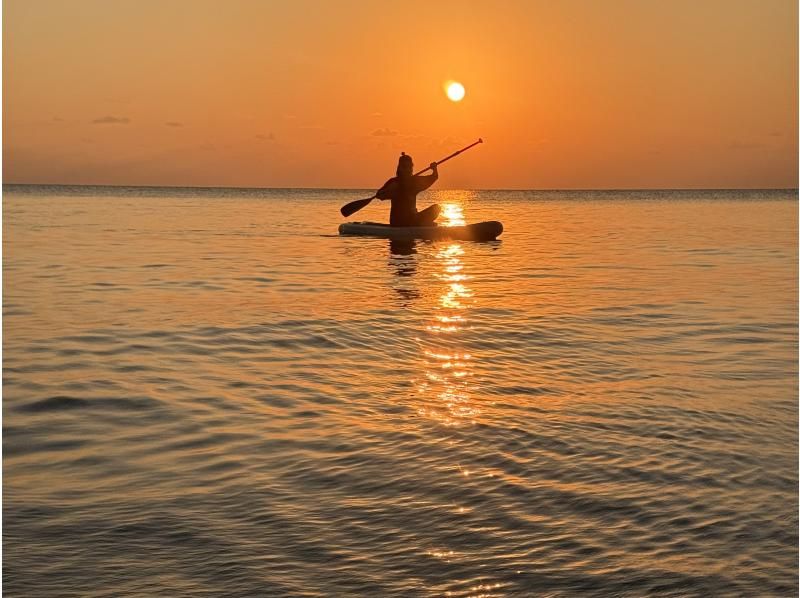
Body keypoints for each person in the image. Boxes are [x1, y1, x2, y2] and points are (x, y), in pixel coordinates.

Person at [376, 152, 441, 226]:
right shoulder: (394, 182)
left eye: (409, 167)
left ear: (411, 168)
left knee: (436, 208)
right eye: (404, 167)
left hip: (413, 220)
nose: (407, 169)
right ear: (399, 168)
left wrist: (434, 169)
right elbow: (379, 195)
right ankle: (423, 224)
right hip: (398, 222)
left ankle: (423, 224)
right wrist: (388, 190)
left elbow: (434, 177)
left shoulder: (414, 182)